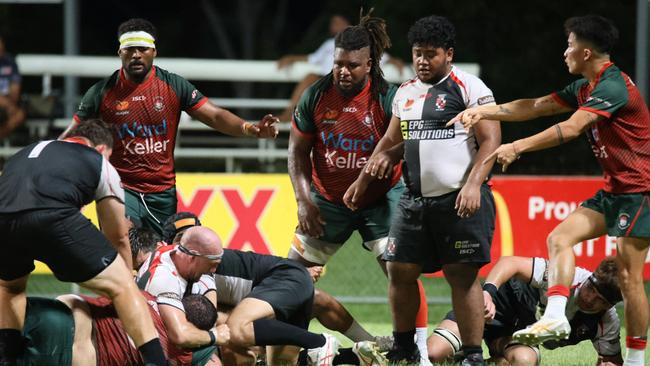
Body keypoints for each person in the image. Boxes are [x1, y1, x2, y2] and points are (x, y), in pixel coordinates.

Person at [451, 15, 650, 366]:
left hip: (641, 192)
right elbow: (536, 106)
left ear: (586, 52)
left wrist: (519, 147)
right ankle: (556, 313)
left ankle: (635, 360)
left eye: (570, 45)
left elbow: (572, 128)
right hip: (615, 190)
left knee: (628, 277)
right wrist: (482, 111)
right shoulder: (586, 87)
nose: (565, 52)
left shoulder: (613, 87)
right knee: (560, 238)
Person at [343, 15, 501, 366]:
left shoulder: (470, 87)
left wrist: (474, 184)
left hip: (459, 199)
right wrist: (363, 179)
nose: (422, 61)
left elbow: (491, 140)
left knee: (461, 275)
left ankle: (473, 353)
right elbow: (391, 141)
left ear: (448, 54)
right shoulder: (406, 92)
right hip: (413, 201)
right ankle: (404, 347)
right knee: (398, 268)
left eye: (430, 54)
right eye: (417, 53)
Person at [287, 11, 430, 364]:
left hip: (382, 200)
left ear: (369, 64)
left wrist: (390, 158)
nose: (343, 72)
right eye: (338, 64)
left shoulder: (389, 98)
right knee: (290, 282)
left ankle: (419, 352)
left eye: (352, 65)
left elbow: (417, 143)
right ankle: (364, 344)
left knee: (402, 270)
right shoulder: (315, 96)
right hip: (327, 202)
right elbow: (297, 151)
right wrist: (305, 202)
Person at [60, 18, 279, 235]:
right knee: (124, 243)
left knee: (160, 254)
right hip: (119, 186)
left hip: (162, 191)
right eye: (129, 49)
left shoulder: (173, 85)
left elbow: (214, 115)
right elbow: (71, 135)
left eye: (142, 49)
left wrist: (252, 129)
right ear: (120, 53)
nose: (136, 55)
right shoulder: (101, 92)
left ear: (154, 52)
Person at [0, 119, 168, 365]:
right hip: (53, 215)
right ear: (102, 149)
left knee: (9, 287)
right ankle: (157, 362)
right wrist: (125, 274)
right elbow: (117, 234)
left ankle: (7, 358)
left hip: (3, 220)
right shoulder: (100, 162)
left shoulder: (25, 152)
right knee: (123, 286)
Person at [155, 212, 388, 366]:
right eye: (182, 239)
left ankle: (368, 342)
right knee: (274, 357)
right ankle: (358, 354)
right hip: (256, 303)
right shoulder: (177, 274)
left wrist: (295, 275)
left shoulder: (206, 266)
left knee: (315, 301)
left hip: (266, 295)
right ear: (169, 247)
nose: (192, 244)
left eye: (195, 235)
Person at [428, 256, 623, 366]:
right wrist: (487, 293)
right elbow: (510, 263)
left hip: (516, 333)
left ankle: (475, 362)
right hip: (493, 307)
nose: (589, 299)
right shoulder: (566, 275)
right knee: (434, 354)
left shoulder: (607, 322)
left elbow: (611, 361)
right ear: (590, 278)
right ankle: (409, 344)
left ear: (610, 306)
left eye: (600, 300)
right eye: (591, 289)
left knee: (524, 361)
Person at [17, 293, 220, 366]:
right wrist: (214, 337)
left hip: (61, 313)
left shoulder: (146, 296)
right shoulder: (183, 350)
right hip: (67, 356)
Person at [277, 13, 404, 122]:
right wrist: (291, 58)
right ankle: (291, 112)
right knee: (311, 77)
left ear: (348, 24)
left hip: (350, 82)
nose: (333, 26)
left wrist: (395, 61)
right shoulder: (329, 44)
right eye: (332, 23)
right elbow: (311, 58)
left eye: (337, 22)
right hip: (328, 82)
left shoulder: (362, 42)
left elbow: (383, 57)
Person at [136, 226, 230, 352]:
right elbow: (180, 335)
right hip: (145, 346)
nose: (213, 270)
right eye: (212, 265)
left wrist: (212, 323)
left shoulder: (179, 252)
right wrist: (214, 335)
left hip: (165, 325)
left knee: (229, 325)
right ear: (192, 258)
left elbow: (207, 280)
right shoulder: (164, 279)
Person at [0, 34, 25, 140]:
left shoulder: (10, 62)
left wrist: (11, 106)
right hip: (4, 103)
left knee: (19, 115)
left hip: (8, 104)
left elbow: (15, 87)